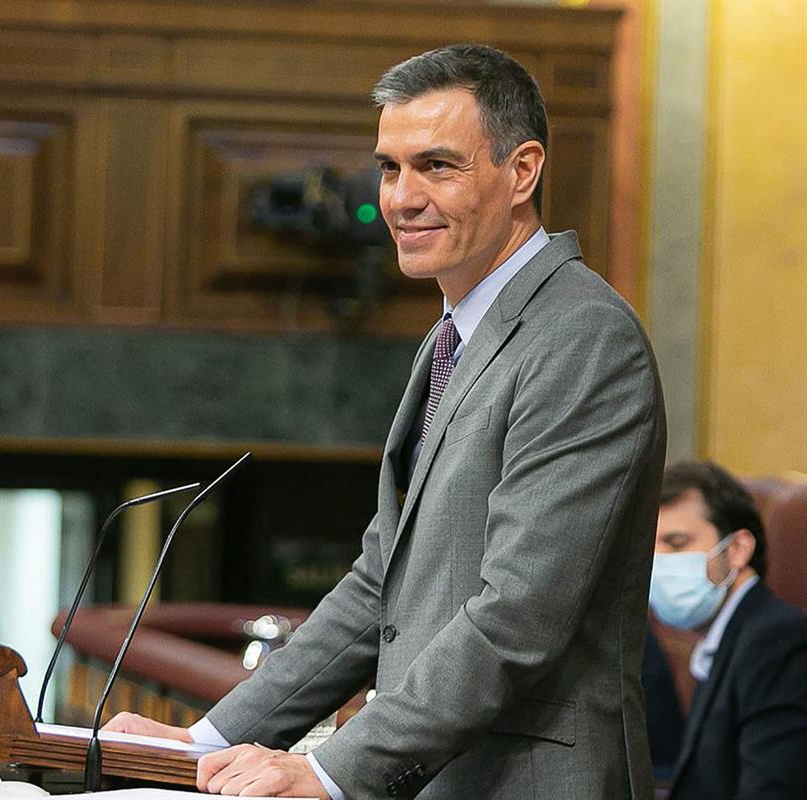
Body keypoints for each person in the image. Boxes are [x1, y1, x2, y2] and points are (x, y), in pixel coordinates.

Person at [105, 43, 666, 799]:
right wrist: (212, 738)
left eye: (437, 166)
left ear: (522, 171)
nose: (400, 198)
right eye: (390, 167)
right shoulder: (452, 336)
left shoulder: (582, 334)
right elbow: (382, 587)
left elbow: (518, 615)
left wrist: (332, 773)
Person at [649, 461, 807, 800]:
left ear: (736, 549)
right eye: (652, 548)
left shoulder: (777, 640)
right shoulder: (724, 640)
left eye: (676, 543)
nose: (658, 564)